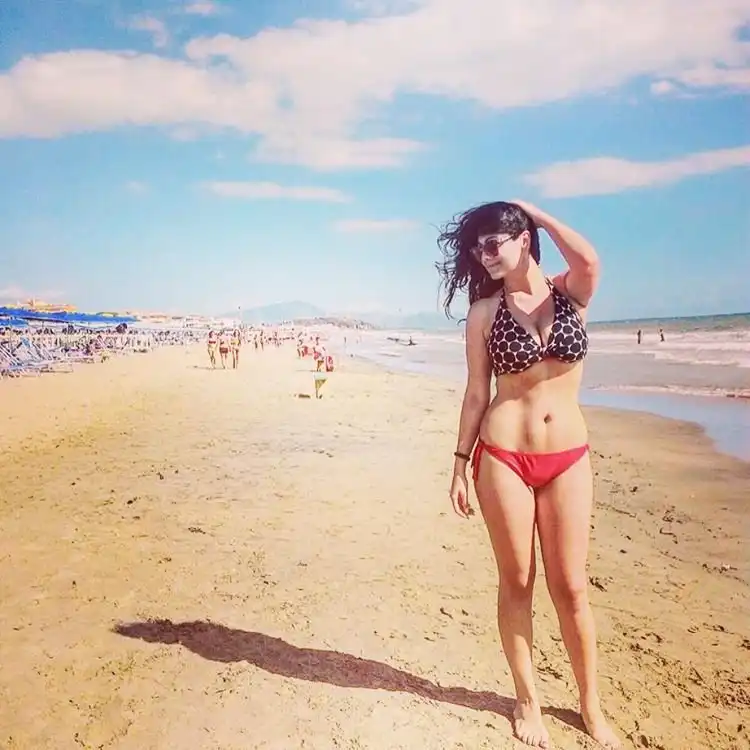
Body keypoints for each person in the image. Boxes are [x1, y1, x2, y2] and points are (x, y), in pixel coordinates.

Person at [436, 200, 620, 749]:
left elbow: (589, 259)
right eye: (477, 248)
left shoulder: (571, 294)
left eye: (492, 243)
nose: (483, 255)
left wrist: (537, 214)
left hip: (568, 457)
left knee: (572, 587)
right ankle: (527, 699)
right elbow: (477, 391)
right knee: (517, 581)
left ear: (523, 239)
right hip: (504, 457)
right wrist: (459, 463)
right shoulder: (484, 313)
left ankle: (590, 706)